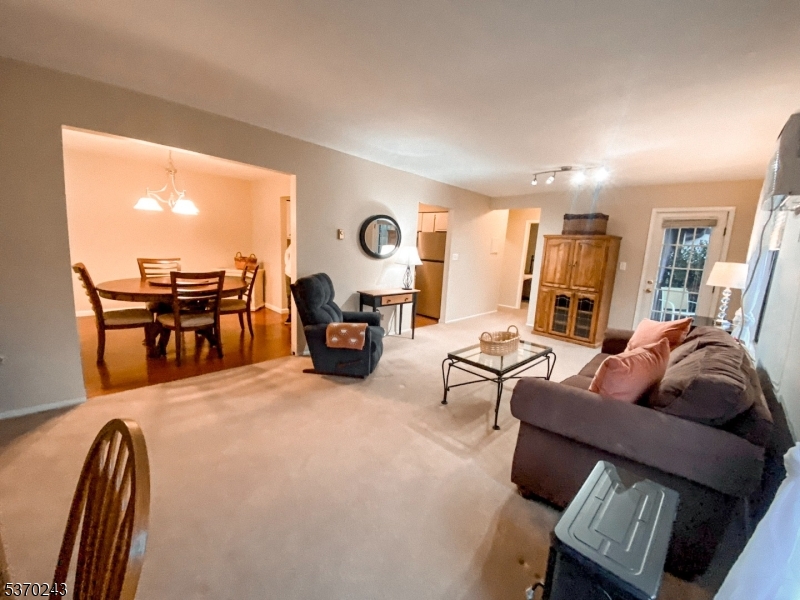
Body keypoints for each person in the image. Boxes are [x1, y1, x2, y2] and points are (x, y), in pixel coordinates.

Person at [284, 241, 292, 324]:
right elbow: (286, 253)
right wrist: (287, 264)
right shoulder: (292, 244)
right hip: (288, 273)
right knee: (289, 295)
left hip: (297, 273)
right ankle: (290, 315)